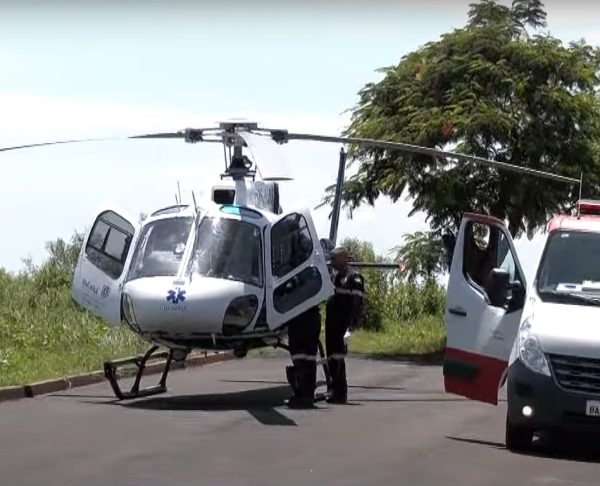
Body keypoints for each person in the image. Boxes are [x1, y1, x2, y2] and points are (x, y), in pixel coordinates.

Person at [324, 247, 365, 404]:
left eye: (334, 258)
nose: (332, 262)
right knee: (332, 357)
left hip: (342, 323)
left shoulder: (354, 278)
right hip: (332, 324)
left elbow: (357, 302)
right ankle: (335, 389)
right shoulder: (335, 277)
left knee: (338, 357)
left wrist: (351, 324)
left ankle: (341, 393)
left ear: (343, 258)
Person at [285, 305, 322, 409]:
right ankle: (306, 394)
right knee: (308, 358)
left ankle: (303, 395)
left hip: (300, 319)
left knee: (300, 357)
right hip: (311, 318)